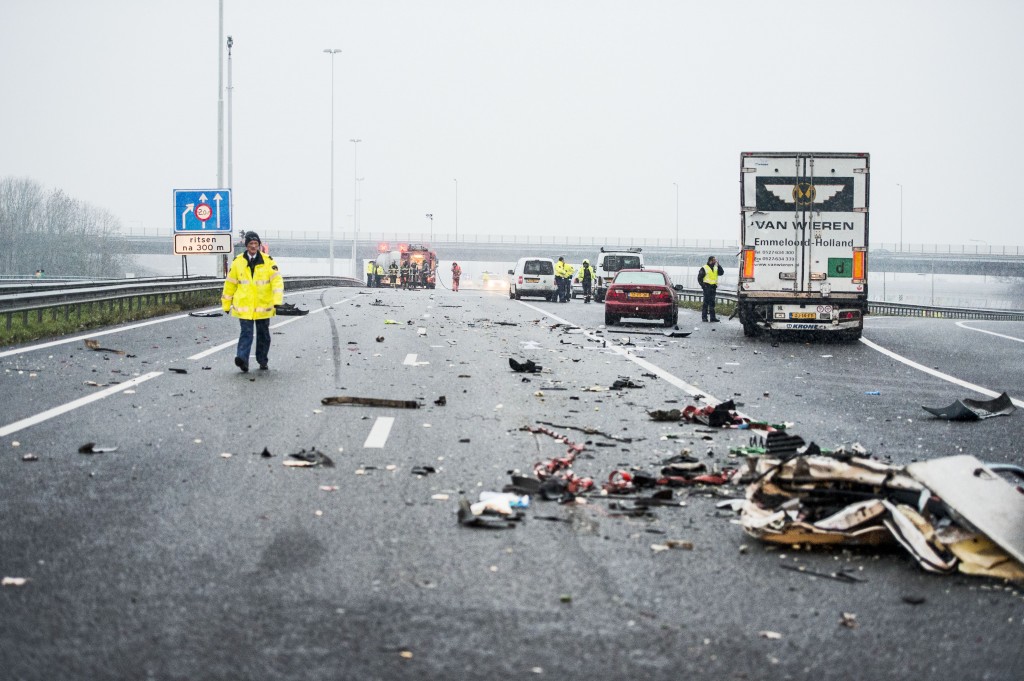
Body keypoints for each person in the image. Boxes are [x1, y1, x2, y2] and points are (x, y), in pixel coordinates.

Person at [222, 231, 283, 372]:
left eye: (256, 244)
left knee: (263, 334)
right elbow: (230, 284)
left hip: (263, 306)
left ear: (259, 245)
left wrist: (277, 300)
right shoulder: (238, 262)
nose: (253, 246)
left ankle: (262, 360)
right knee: (246, 333)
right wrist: (226, 303)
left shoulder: (269, 261)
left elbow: (277, 282)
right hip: (244, 306)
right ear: (246, 245)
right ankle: (242, 359)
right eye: (251, 244)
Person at [697, 255, 725, 323]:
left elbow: (721, 273)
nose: (715, 261)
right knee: (706, 303)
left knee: (712, 303)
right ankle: (704, 318)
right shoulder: (704, 268)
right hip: (707, 287)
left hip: (713, 287)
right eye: (714, 260)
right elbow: (699, 278)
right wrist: (703, 286)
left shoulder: (715, 268)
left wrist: (718, 265)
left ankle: (712, 318)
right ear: (710, 261)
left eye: (715, 260)